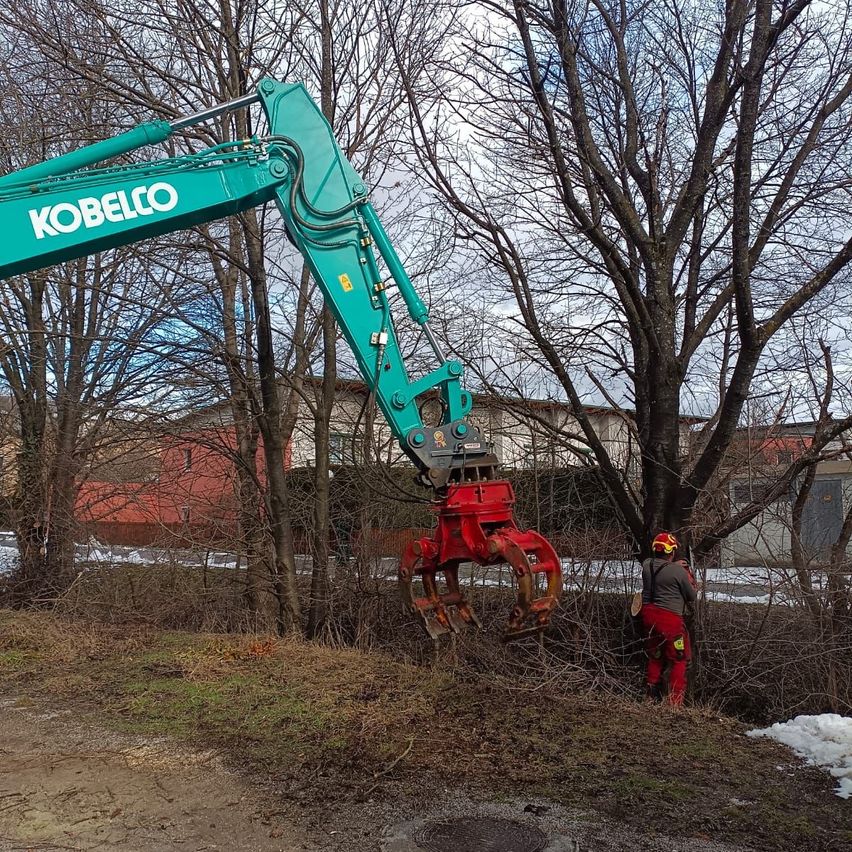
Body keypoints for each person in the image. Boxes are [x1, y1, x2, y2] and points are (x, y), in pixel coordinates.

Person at [640, 531, 697, 706]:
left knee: (655, 656)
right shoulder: (678, 571)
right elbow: (691, 595)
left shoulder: (647, 565)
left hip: (649, 619)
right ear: (671, 551)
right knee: (679, 659)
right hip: (671, 622)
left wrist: (675, 567)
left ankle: (650, 696)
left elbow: (662, 568)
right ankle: (674, 702)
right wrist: (686, 574)